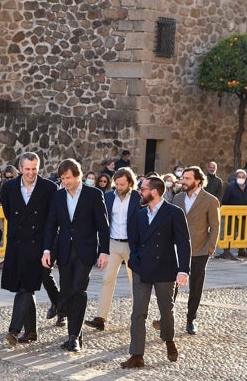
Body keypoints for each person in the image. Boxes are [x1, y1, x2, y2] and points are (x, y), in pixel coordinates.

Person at [120, 176, 191, 369]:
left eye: (143, 189)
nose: (140, 192)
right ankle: (137, 355)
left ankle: (169, 340)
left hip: (165, 269)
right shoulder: (140, 214)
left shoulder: (173, 212)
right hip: (142, 268)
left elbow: (184, 243)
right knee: (138, 312)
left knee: (166, 311)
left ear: (154, 191)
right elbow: (133, 240)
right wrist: (134, 261)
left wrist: (183, 270)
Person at [42, 158, 109, 352]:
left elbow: (103, 226)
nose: (65, 181)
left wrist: (104, 251)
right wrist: (47, 250)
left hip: (85, 250)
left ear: (78, 175)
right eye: (62, 178)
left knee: (78, 290)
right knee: (67, 291)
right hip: (64, 250)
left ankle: (74, 338)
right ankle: (75, 335)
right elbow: (51, 224)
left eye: (68, 177)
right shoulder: (58, 196)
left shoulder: (94, 195)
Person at [1, 152, 57, 346]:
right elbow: (9, 214)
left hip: (39, 246)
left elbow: (52, 220)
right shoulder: (8, 187)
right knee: (25, 287)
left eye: (34, 169)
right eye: (27, 169)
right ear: (20, 168)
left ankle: (14, 329)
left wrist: (48, 248)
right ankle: (31, 332)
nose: (31, 173)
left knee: (26, 286)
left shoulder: (49, 188)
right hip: (17, 244)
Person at [85, 167, 141, 331]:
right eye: (116, 184)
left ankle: (137, 317)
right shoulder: (108, 197)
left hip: (133, 245)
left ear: (130, 183)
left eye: (122, 184)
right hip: (112, 243)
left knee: (135, 282)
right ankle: (101, 317)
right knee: (107, 279)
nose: (119, 187)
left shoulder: (138, 198)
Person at [172, 166, 220, 335]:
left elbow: (215, 227)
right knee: (172, 285)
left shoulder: (210, 200)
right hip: (177, 249)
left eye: (187, 178)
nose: (183, 181)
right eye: (183, 178)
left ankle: (190, 319)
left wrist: (210, 248)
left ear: (198, 181)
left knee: (195, 287)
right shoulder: (177, 198)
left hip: (199, 250)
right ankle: (166, 317)